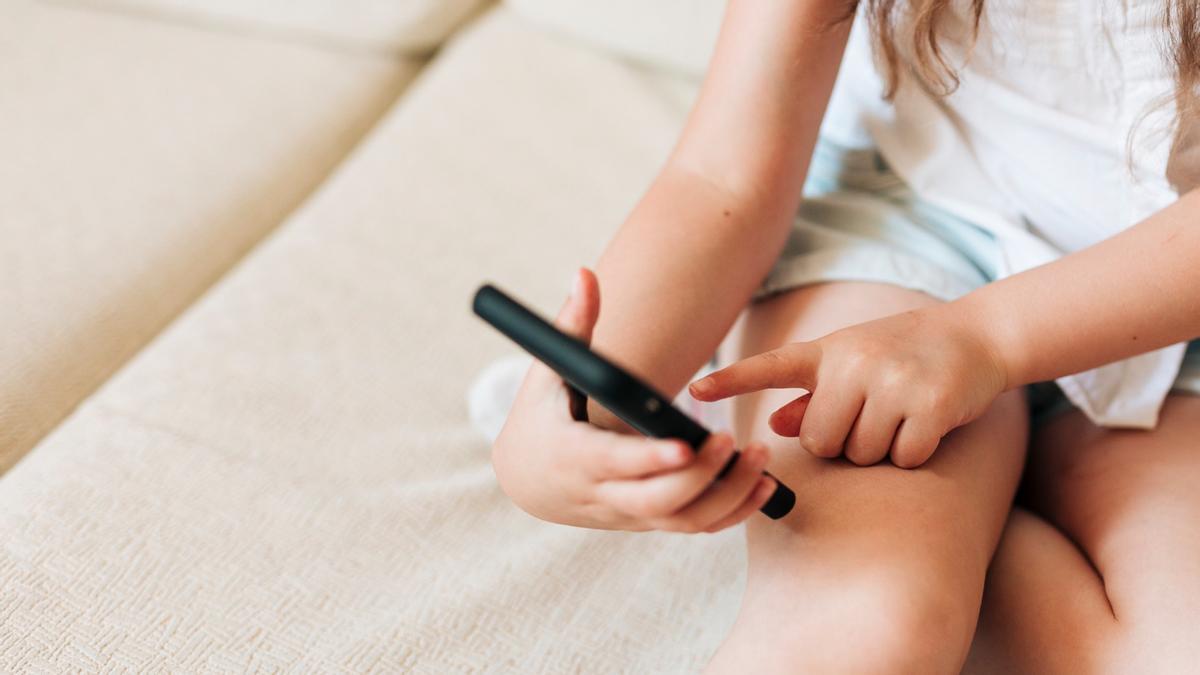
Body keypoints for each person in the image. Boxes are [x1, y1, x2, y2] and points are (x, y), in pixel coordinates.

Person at [488, 1, 1200, 671]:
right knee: (865, 625)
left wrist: (985, 341)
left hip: (1162, 299)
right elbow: (720, 176)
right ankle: (948, 506)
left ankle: (970, 496)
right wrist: (567, 419)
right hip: (913, 225)